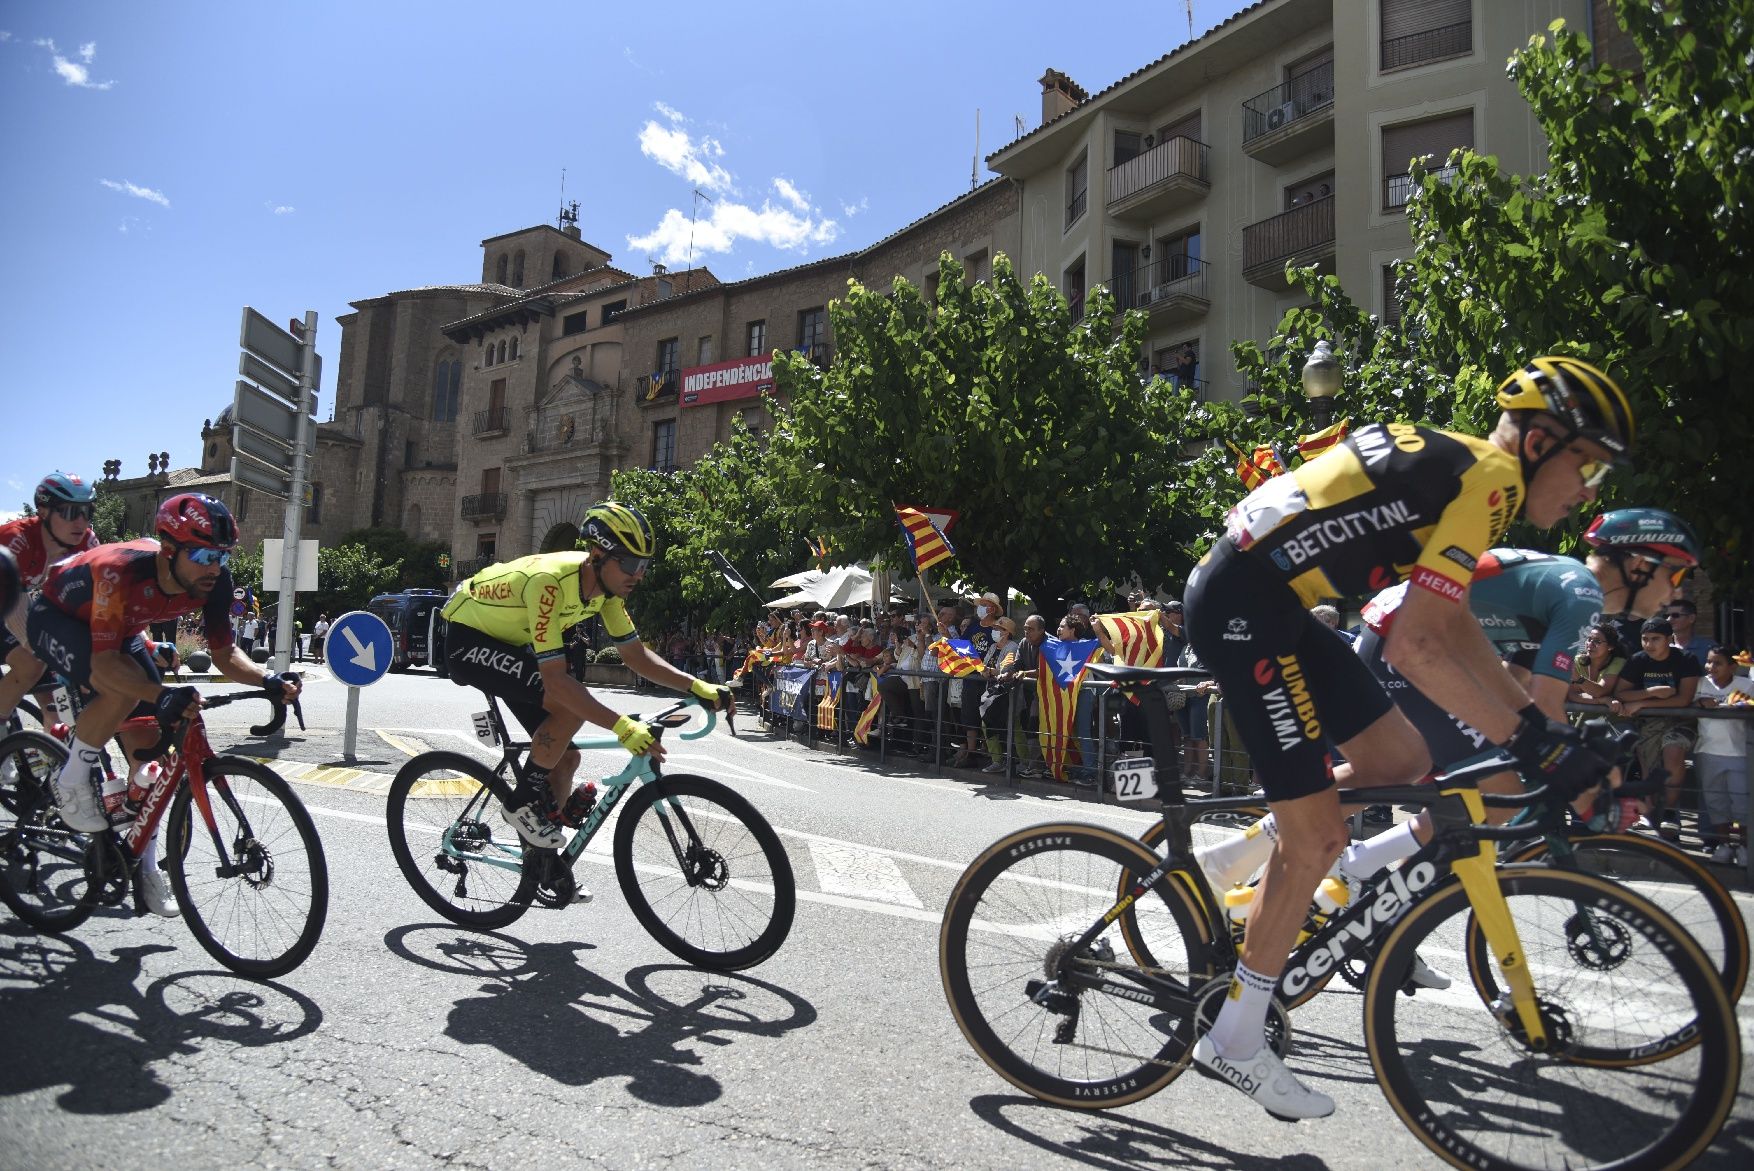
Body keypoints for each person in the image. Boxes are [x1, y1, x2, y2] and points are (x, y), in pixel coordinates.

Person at [1183, 355, 1635, 1119]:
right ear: (1540, 443)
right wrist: (1534, 743)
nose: (1588, 491)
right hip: (1245, 606)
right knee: (1319, 835)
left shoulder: (1478, 475)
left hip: (1272, 598)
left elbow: (1451, 625)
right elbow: (1415, 647)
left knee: (1403, 759)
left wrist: (1532, 728)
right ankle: (1235, 1037)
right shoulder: (1490, 480)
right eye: (1587, 466)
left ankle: (1236, 856)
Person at [27, 493, 302, 918]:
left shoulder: (213, 581)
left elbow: (225, 654)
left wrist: (268, 679)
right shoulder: (122, 571)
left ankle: (144, 867)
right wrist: (160, 695)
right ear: (168, 550)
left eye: (222, 556)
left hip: (122, 631)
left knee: (149, 764)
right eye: (204, 555)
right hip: (58, 618)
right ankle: (71, 778)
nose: (215, 567)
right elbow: (105, 665)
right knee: (123, 690)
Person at [440, 502, 732, 867]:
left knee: (566, 759)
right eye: (630, 564)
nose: (638, 575)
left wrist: (697, 687)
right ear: (597, 556)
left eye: (643, 566)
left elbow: (636, 656)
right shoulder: (549, 583)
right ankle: (519, 805)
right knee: (569, 706)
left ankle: (542, 866)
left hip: (510, 642)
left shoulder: (605, 592)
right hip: (468, 639)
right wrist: (622, 727)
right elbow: (556, 682)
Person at [0, 472, 102, 726]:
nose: (80, 521)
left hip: (14, 600)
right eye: (70, 512)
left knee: (51, 691)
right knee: (31, 666)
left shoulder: (87, 542)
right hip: (6, 600)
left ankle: (57, 740)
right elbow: (14, 608)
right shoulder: (16, 540)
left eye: (86, 512)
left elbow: (104, 596)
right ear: (44, 512)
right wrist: (43, 647)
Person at [1609, 617, 1703, 840]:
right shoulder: (1638, 660)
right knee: (1649, 772)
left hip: (1681, 722)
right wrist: (1651, 693)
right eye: (1645, 639)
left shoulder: (1686, 659)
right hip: (1649, 724)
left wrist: (1642, 703)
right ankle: (1657, 824)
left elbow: (1683, 699)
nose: (1649, 644)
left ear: (1669, 639)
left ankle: (1668, 812)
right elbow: (1621, 693)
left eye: (1655, 639)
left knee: (1673, 752)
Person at [1694, 645, 1753, 862]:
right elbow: (1690, 702)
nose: (1711, 667)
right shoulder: (1700, 683)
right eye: (1709, 661)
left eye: (1717, 663)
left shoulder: (1747, 685)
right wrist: (1701, 702)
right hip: (1708, 751)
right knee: (1715, 801)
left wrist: (1744, 708)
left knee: (1741, 802)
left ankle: (1745, 847)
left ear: (1732, 667)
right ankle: (1724, 845)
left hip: (1739, 753)